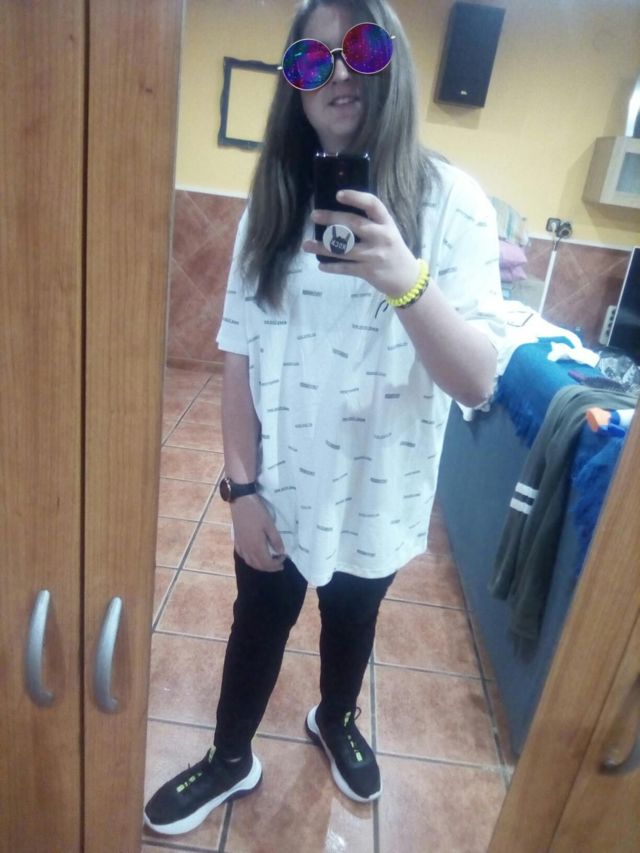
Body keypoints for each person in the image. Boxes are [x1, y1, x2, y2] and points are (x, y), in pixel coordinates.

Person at [144, 0, 505, 837]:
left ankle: (335, 717)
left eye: (362, 49)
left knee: (353, 618)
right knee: (257, 621)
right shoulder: (272, 202)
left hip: (381, 495)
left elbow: (478, 380)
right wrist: (242, 490)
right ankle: (230, 756)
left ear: (394, 60)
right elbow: (238, 353)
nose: (338, 72)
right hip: (278, 486)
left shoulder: (455, 203)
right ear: (294, 87)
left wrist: (406, 279)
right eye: (312, 61)